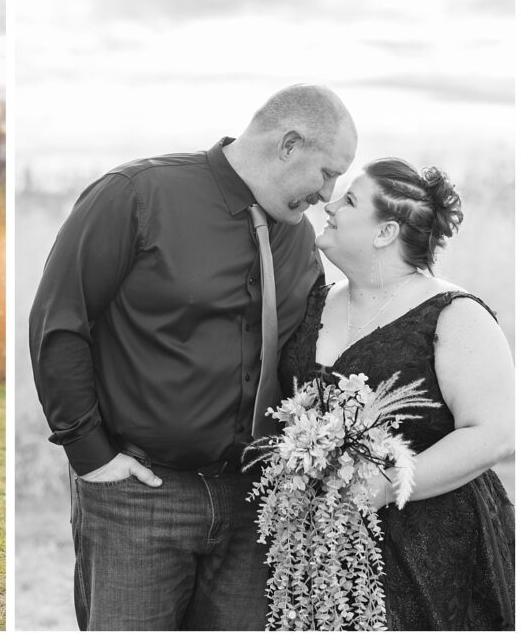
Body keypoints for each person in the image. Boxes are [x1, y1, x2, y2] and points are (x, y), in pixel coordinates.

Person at [29, 84, 358, 630]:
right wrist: (92, 456)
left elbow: (303, 353)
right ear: (288, 144)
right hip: (140, 496)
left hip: (257, 505)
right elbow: (60, 321)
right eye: (326, 173)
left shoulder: (299, 239)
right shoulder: (136, 194)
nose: (328, 194)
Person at [278, 158, 514, 629]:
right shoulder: (315, 302)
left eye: (348, 200)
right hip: (319, 550)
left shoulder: (454, 314)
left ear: (385, 232)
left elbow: (496, 434)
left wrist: (385, 486)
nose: (329, 204)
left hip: (435, 544)